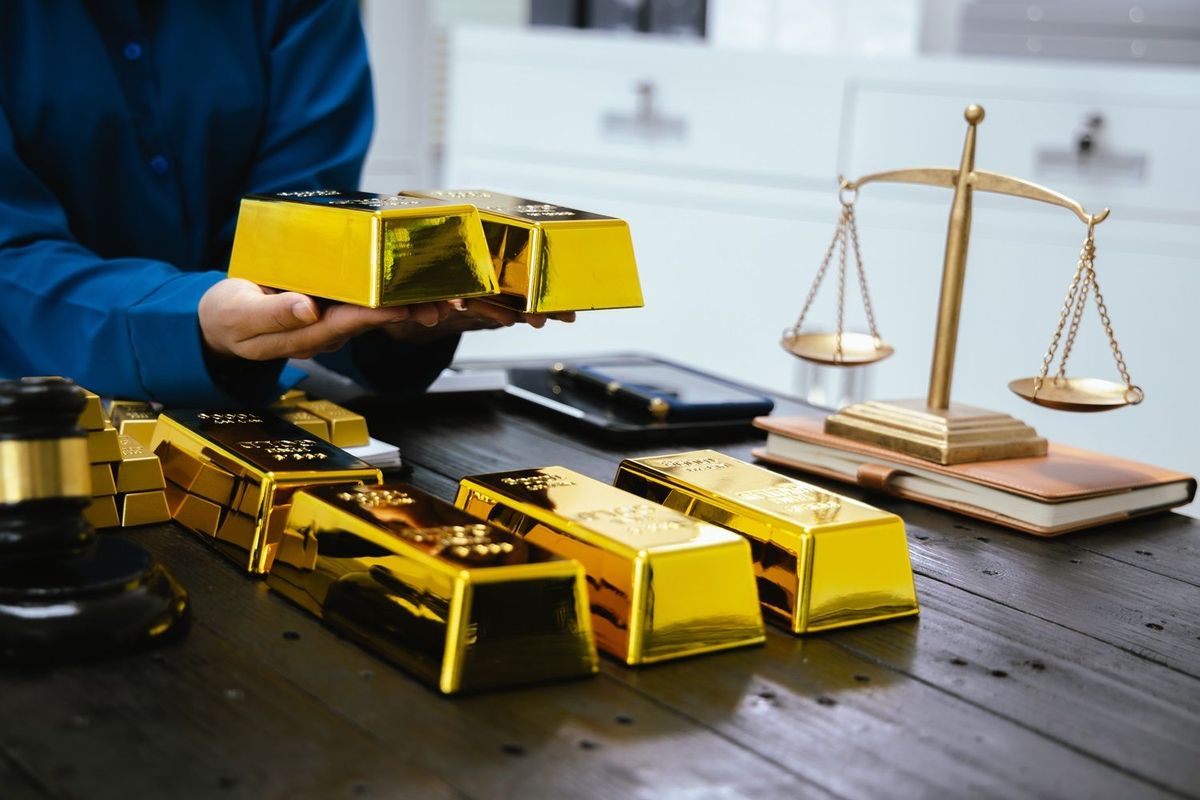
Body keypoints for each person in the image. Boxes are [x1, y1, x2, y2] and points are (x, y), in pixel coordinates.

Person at [0, 0, 559, 406]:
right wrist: (188, 319)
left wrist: (392, 316)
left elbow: (299, 223)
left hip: (256, 401)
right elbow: (9, 255)